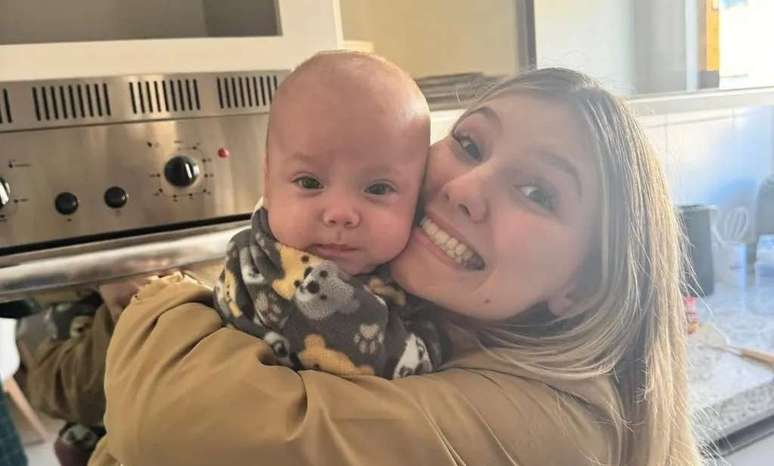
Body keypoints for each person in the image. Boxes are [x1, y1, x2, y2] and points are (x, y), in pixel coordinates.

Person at [90, 67, 701, 466]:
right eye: (470, 144)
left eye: (538, 192)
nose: (466, 186)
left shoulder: (555, 426)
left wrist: (159, 299)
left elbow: (169, 422)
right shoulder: (408, 307)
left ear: (584, 286)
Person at [213, 51, 443, 379]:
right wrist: (439, 339)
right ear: (268, 183)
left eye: (378, 188)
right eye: (309, 182)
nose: (340, 214)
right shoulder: (293, 281)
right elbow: (393, 366)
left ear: (418, 196)